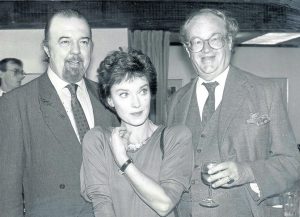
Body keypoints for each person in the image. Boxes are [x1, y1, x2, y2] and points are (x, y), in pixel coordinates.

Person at [167, 8, 300, 217]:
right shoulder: (175, 102)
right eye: (197, 42)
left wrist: (247, 172)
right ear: (187, 49)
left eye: (215, 39)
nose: (206, 49)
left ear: (229, 42)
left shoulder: (266, 92)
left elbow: (293, 164)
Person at [0, 9, 118, 217]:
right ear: (47, 49)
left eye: (83, 42)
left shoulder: (110, 98)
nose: (76, 51)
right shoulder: (15, 104)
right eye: (65, 42)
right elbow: (7, 194)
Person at [80, 49, 194, 217]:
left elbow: (164, 204)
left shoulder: (176, 137)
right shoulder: (98, 140)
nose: (136, 103)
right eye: (124, 94)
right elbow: (102, 204)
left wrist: (123, 160)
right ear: (109, 100)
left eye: (142, 91)